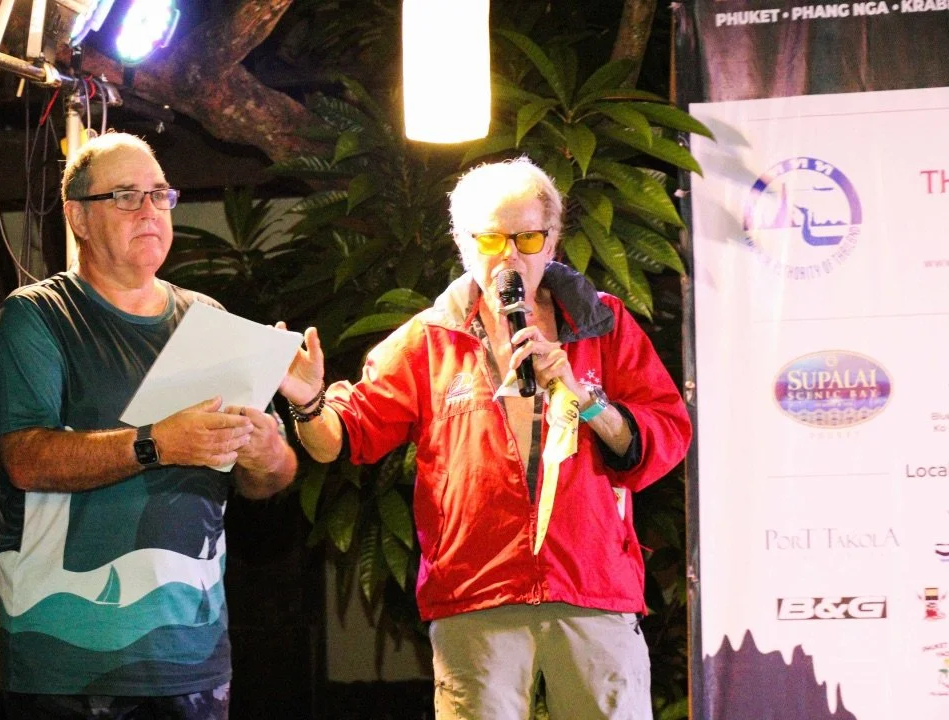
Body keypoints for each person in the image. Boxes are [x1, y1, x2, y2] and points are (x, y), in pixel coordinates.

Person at [277, 157, 692, 720]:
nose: (511, 256)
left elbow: (666, 433)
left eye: (528, 238)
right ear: (464, 243)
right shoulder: (429, 338)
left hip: (591, 589)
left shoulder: (605, 324)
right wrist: (307, 402)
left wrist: (583, 396)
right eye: (493, 239)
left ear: (553, 242)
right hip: (476, 594)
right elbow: (341, 438)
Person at [0, 131, 296, 720]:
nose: (149, 210)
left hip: (193, 654)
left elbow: (273, 477)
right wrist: (157, 444)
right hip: (68, 655)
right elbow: (24, 460)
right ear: (78, 216)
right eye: (126, 196)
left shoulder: (208, 319)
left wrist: (264, 451)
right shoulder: (37, 317)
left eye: (159, 194)